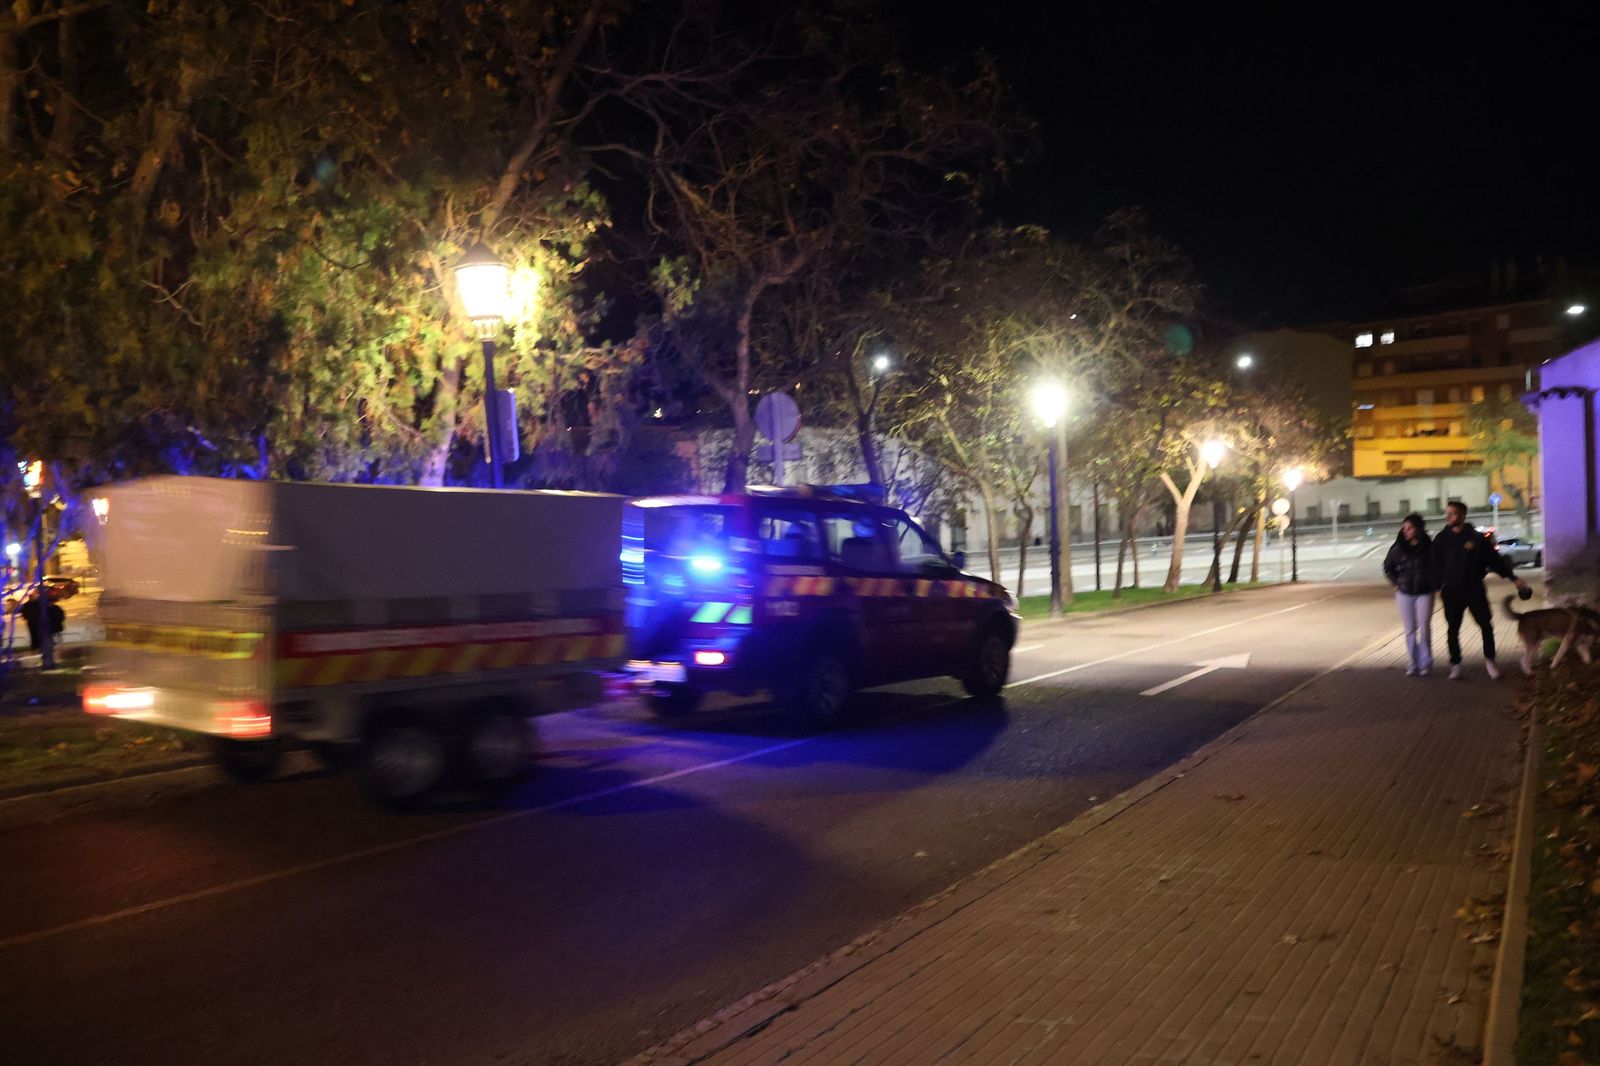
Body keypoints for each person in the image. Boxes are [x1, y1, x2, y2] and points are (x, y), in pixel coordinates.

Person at [1430, 499, 1528, 680]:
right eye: (1448, 513)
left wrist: (1514, 579)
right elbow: (1434, 565)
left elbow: (1495, 561)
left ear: (1463, 515)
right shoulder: (1441, 539)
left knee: (1485, 625)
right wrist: (1438, 587)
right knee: (1453, 628)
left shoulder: (1477, 539)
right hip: (1451, 591)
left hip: (1474, 589)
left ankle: (1490, 662)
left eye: (1453, 513)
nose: (1449, 517)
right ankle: (1456, 664)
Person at [1383, 513, 1435, 676]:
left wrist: (1434, 582)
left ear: (1418, 528)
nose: (1405, 531)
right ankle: (1413, 663)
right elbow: (1387, 566)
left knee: (1424, 627)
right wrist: (1396, 582)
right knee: (1410, 630)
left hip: (1425, 592)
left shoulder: (1428, 546)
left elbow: (1438, 566)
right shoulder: (1398, 547)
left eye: (1410, 528)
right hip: (1404, 592)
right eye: (1404, 527)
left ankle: (1426, 662)